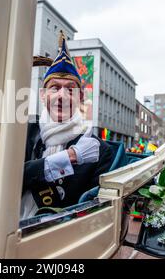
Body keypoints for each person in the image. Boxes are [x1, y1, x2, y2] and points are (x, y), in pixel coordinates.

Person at [20, 32, 115, 219]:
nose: (62, 95)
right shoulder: (22, 133)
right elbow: (6, 180)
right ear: (42, 94)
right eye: (54, 87)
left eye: (70, 89)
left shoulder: (99, 151)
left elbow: (94, 212)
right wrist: (68, 158)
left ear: (80, 98)